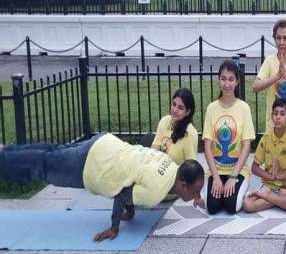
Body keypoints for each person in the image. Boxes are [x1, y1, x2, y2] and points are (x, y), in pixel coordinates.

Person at [0, 133, 204, 242]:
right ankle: (4, 160)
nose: (196, 195)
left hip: (104, 143)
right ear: (183, 185)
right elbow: (123, 195)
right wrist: (114, 227)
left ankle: (7, 150)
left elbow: (136, 174)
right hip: (93, 162)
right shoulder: (155, 192)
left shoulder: (169, 162)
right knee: (42, 167)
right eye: (195, 191)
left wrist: (131, 211)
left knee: (52, 152)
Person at [203, 60, 255, 214]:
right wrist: (216, 177)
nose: (227, 83)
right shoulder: (211, 108)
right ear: (219, 80)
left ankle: (241, 186)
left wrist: (233, 176)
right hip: (216, 169)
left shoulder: (244, 108)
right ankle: (215, 188)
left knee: (232, 206)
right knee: (212, 207)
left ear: (237, 82)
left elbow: (246, 146)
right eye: (223, 78)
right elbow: (207, 146)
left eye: (231, 79)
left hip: (237, 170)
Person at [243, 98, 286, 213]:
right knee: (247, 205)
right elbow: (254, 168)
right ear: (271, 116)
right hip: (269, 185)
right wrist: (270, 176)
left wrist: (279, 176)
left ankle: (269, 197)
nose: (278, 117)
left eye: (282, 114)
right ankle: (280, 200)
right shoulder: (266, 138)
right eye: (275, 114)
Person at [152, 88, 201, 205]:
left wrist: (196, 196)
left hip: (173, 184)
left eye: (180, 108)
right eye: (174, 105)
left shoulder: (190, 133)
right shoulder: (165, 121)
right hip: (155, 174)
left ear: (188, 112)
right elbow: (152, 152)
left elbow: (192, 169)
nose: (174, 110)